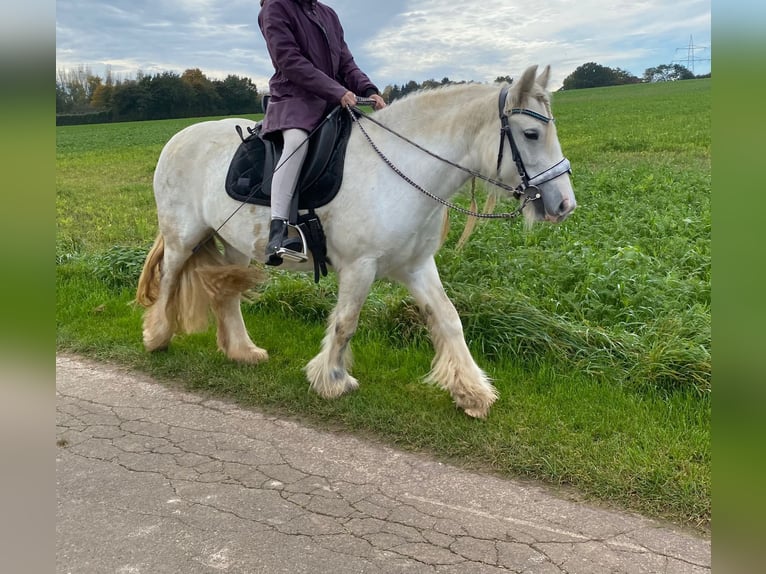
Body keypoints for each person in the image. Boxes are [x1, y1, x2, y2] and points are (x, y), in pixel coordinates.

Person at [258, 0, 386, 265]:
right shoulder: (275, 8)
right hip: (295, 99)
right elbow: (289, 61)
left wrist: (369, 90)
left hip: (332, 101)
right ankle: (279, 229)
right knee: (296, 142)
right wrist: (337, 91)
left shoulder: (328, 14)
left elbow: (347, 64)